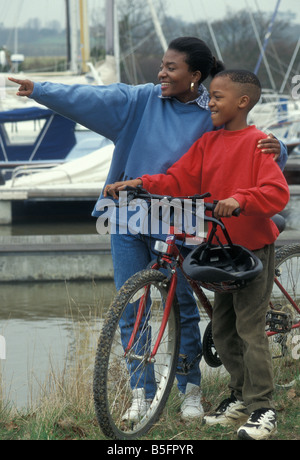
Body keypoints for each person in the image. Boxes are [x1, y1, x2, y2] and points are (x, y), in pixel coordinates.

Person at [8, 38, 288, 422]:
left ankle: (190, 388)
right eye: (162, 65)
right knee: (132, 306)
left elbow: (254, 145)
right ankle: (141, 391)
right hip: (129, 213)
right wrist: (41, 90)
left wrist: (278, 147)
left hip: (184, 218)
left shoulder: (216, 106)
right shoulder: (142, 99)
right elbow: (91, 97)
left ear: (195, 75)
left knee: (182, 306)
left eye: (172, 68)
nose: (161, 73)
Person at [105, 69, 290, 440]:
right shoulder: (208, 144)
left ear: (242, 102)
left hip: (251, 248)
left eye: (218, 97)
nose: (211, 103)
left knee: (249, 329)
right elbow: (178, 178)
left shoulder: (257, 144)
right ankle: (238, 395)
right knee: (221, 330)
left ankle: (263, 408)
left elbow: (276, 192)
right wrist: (141, 183)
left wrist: (241, 199)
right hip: (219, 248)